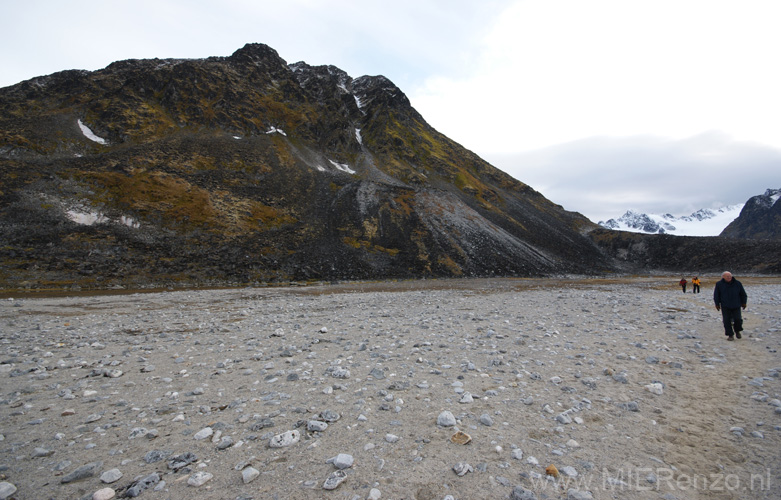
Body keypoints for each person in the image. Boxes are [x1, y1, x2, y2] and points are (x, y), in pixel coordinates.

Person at [713, 271, 747, 341]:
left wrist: (744, 302)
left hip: (736, 304)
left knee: (738, 319)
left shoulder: (737, 283)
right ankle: (730, 335)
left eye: (730, 276)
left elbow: (743, 293)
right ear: (723, 277)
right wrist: (717, 304)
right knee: (726, 320)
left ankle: (737, 330)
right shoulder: (719, 284)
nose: (729, 277)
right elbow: (716, 295)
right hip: (725, 305)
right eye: (727, 276)